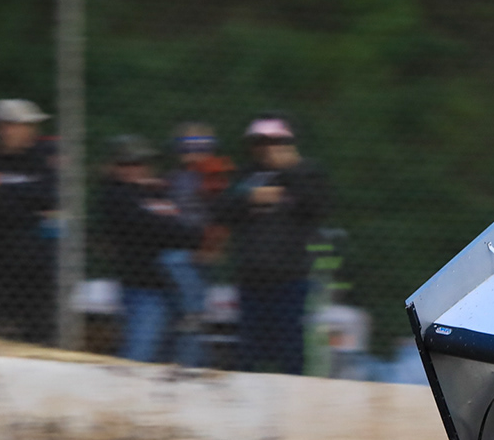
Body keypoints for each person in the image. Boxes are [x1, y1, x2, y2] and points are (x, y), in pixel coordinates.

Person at [216, 115, 329, 374]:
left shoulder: (306, 172)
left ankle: (294, 391)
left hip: (290, 276)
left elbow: (318, 207)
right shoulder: (247, 175)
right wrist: (250, 198)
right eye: (259, 142)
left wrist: (290, 171)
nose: (266, 148)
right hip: (251, 276)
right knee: (249, 347)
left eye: (274, 142)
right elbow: (221, 209)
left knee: (289, 345)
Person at [100, 136, 202, 363]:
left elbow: (183, 224)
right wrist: (188, 236)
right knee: (140, 354)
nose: (135, 168)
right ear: (113, 166)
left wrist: (180, 233)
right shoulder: (115, 195)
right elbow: (148, 226)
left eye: (140, 162)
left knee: (176, 355)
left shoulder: (158, 191)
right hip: (144, 287)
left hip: (177, 287)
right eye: (126, 163)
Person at [0, 99, 58, 344]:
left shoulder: (44, 157)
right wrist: (28, 203)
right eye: (19, 125)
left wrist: (1, 195)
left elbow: (53, 195)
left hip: (38, 264)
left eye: (30, 125)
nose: (29, 131)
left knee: (40, 330)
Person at [159, 122, 235, 366]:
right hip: (174, 249)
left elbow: (223, 217)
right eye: (187, 147)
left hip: (197, 253)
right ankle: (177, 359)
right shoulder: (172, 178)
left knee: (192, 312)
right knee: (178, 313)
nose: (194, 153)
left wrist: (213, 248)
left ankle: (189, 363)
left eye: (202, 147)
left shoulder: (213, 175)